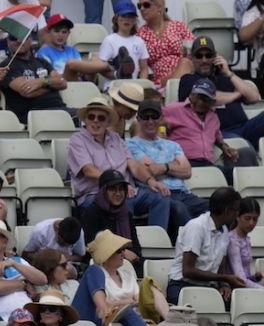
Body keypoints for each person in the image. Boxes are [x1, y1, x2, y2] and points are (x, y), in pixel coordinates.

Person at [69, 96, 171, 233]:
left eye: (101, 118)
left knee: (160, 197)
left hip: (126, 191)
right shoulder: (77, 140)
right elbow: (89, 171)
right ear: (85, 120)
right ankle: (126, 248)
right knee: (121, 202)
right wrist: (119, 185)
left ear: (108, 122)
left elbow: (133, 165)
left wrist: (151, 181)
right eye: (91, 117)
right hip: (93, 195)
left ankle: (156, 244)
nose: (95, 121)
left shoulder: (116, 138)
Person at [129, 98, 209, 227]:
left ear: (161, 118)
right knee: (179, 209)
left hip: (184, 193)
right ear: (138, 119)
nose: (150, 121)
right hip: (160, 194)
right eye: (145, 117)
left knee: (216, 208)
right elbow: (150, 170)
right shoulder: (131, 144)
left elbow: (187, 171)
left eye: (154, 116)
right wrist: (174, 166)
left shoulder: (173, 145)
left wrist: (164, 167)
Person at [178, 36, 264, 151]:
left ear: (215, 57)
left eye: (208, 55)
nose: (204, 60)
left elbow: (254, 97)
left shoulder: (225, 77)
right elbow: (208, 98)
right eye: (199, 56)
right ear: (192, 58)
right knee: (243, 145)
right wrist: (237, 94)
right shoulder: (188, 80)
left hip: (244, 127)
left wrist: (228, 73)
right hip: (218, 134)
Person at [72, 228, 156, 326]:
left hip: (115, 322)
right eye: (118, 251)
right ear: (107, 255)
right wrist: (123, 303)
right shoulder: (94, 271)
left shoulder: (127, 274)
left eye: (123, 250)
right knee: (126, 311)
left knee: (148, 285)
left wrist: (120, 304)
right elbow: (105, 304)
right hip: (93, 324)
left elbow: (136, 300)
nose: (123, 253)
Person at [165, 80, 255, 178]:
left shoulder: (213, 117)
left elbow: (216, 135)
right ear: (191, 95)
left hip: (207, 164)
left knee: (243, 169)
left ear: (212, 102)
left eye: (205, 99)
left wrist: (225, 147)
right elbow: (152, 121)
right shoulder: (174, 109)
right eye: (198, 97)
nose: (200, 102)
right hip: (183, 163)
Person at [167, 188, 243, 303]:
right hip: (182, 286)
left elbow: (220, 267)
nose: (237, 215)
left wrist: (224, 284)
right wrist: (225, 278)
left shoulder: (224, 231)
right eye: (236, 210)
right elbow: (187, 270)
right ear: (227, 210)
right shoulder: (197, 227)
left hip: (208, 287)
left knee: (235, 302)